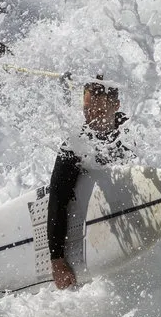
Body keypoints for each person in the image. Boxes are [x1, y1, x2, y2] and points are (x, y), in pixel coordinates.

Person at [47, 74, 134, 289]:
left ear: (116, 106)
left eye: (99, 111)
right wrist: (57, 259)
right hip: (98, 222)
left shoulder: (132, 134)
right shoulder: (76, 145)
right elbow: (58, 199)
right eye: (87, 111)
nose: (92, 119)